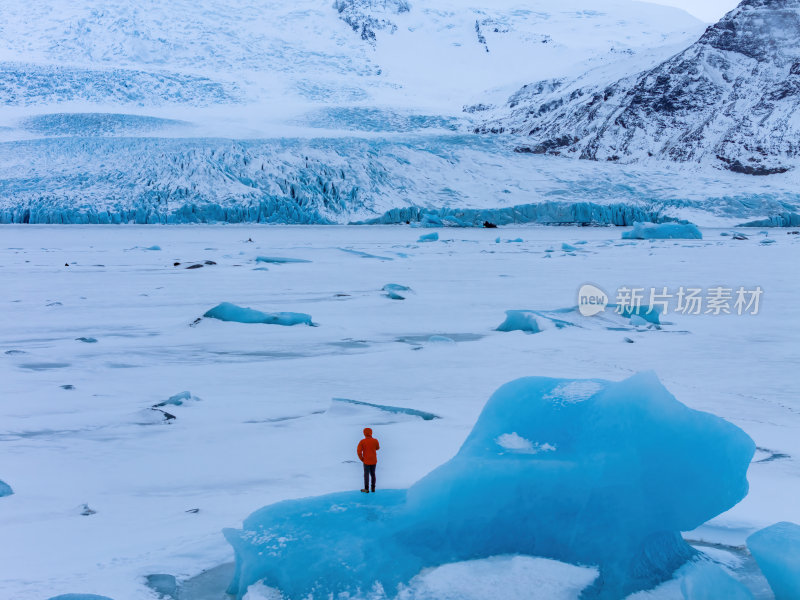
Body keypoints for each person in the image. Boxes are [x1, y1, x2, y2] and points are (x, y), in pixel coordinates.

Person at [357, 427, 380, 493]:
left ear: (364, 433)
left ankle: (366, 489)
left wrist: (362, 459)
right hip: (373, 460)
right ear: (371, 433)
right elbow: (377, 448)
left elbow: (359, 451)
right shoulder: (375, 440)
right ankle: (373, 488)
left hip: (366, 461)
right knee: (373, 474)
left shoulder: (362, 441)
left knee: (366, 474)